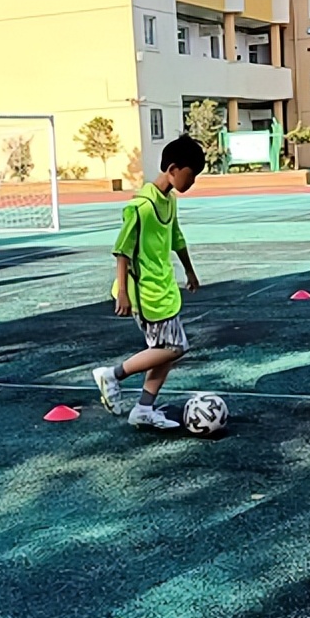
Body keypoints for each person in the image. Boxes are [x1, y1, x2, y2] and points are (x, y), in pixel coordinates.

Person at [92, 135, 205, 429]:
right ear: (173, 168)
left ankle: (143, 408)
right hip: (144, 292)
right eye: (190, 177)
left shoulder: (169, 200)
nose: (191, 184)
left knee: (164, 350)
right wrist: (123, 294)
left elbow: (176, 237)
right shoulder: (141, 207)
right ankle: (112, 374)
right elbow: (122, 249)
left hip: (163, 287)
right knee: (174, 347)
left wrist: (189, 271)